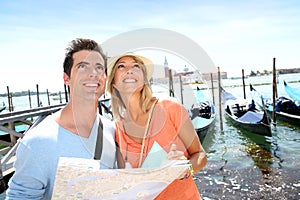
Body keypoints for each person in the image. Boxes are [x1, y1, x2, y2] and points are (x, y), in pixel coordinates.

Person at [6, 38, 117, 199]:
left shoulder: (112, 130)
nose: (93, 73)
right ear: (66, 79)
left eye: (99, 68)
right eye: (82, 67)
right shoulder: (37, 142)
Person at [107, 53, 207, 199]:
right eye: (121, 66)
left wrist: (186, 170)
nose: (130, 70)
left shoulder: (170, 108)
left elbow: (201, 156)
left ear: (144, 80)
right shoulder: (117, 129)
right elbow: (128, 179)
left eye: (136, 66)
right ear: (113, 83)